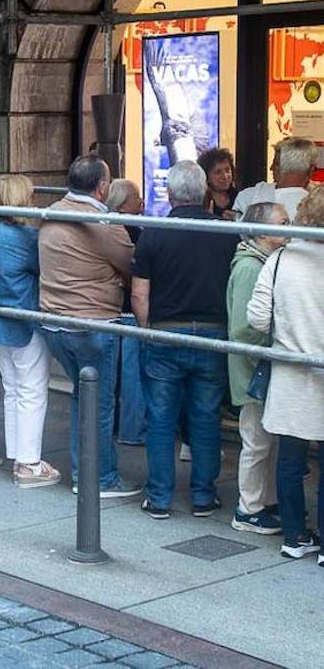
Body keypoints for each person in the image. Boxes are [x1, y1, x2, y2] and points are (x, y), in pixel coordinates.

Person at [132, 161, 238, 520]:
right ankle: (203, 497)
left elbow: (139, 295)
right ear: (204, 191)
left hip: (165, 331)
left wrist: (147, 332)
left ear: (171, 194)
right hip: (212, 332)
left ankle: (160, 498)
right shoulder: (227, 232)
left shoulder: (155, 232)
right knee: (206, 419)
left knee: (161, 419)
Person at [38, 155, 139, 498]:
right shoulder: (104, 222)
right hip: (93, 323)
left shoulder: (51, 212)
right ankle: (100, 479)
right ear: (102, 187)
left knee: (84, 399)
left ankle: (85, 473)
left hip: (55, 323)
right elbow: (131, 264)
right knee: (98, 405)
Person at [248, 185, 324, 560]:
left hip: (290, 371)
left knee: (290, 461)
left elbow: (257, 317)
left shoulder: (280, 260)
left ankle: (294, 537)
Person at [0, 174, 59, 487]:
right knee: (32, 391)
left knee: (13, 388)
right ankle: (29, 463)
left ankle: (18, 455)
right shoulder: (25, 237)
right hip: (23, 320)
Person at [226, 202, 288, 535]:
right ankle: (248, 508)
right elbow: (244, 328)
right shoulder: (252, 268)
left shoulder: (257, 262)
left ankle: (259, 501)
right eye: (283, 222)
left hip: (254, 368)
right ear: (263, 231)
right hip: (253, 371)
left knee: (263, 440)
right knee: (257, 440)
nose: (289, 228)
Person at [105, 178, 146, 446]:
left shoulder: (101, 225)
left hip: (105, 308)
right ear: (123, 203)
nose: (141, 202)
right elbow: (137, 274)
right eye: (136, 197)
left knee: (109, 375)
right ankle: (132, 431)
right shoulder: (133, 232)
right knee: (132, 376)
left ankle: (109, 426)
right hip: (129, 310)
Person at [234, 136, 317, 220]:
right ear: (311, 170)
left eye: (275, 163)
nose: (271, 168)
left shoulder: (248, 197)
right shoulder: (318, 204)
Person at [198, 148, 238, 218]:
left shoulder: (240, 197)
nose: (225, 176)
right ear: (206, 176)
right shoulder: (201, 201)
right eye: (218, 172)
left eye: (227, 170)